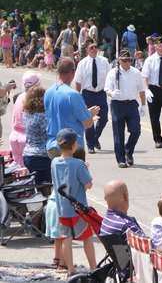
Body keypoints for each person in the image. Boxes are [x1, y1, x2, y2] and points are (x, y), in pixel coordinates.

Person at [51, 128, 96, 277]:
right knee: (87, 238)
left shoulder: (54, 162)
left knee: (66, 239)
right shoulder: (78, 164)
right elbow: (88, 185)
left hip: (62, 209)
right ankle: (93, 267)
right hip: (79, 210)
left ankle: (70, 269)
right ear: (74, 144)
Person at [45, 57, 99, 159]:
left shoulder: (48, 91)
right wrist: (90, 115)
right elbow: (88, 123)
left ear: (57, 71)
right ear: (73, 72)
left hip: (52, 144)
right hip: (70, 147)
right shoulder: (73, 95)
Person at [105, 49, 147, 168]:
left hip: (131, 104)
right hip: (117, 104)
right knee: (119, 133)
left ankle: (129, 150)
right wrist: (112, 93)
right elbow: (107, 89)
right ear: (119, 60)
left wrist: (143, 105)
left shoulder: (136, 73)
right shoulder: (113, 73)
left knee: (136, 130)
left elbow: (141, 89)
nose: (127, 63)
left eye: (129, 60)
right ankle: (121, 159)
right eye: (124, 60)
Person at [75, 37, 112, 154]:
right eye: (92, 48)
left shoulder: (104, 61)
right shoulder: (82, 63)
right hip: (87, 94)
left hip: (100, 93)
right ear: (87, 50)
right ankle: (90, 144)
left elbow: (109, 77)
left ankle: (96, 138)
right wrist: (78, 96)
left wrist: (110, 92)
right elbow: (78, 81)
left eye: (96, 47)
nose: (94, 49)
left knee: (104, 118)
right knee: (89, 120)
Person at [10, 71, 42, 167]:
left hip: (14, 137)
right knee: (30, 175)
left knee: (19, 173)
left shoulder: (19, 97)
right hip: (27, 139)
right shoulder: (35, 99)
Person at [22, 85, 51, 184]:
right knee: (45, 189)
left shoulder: (25, 113)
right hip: (41, 155)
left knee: (36, 186)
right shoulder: (42, 116)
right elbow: (49, 132)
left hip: (28, 153)